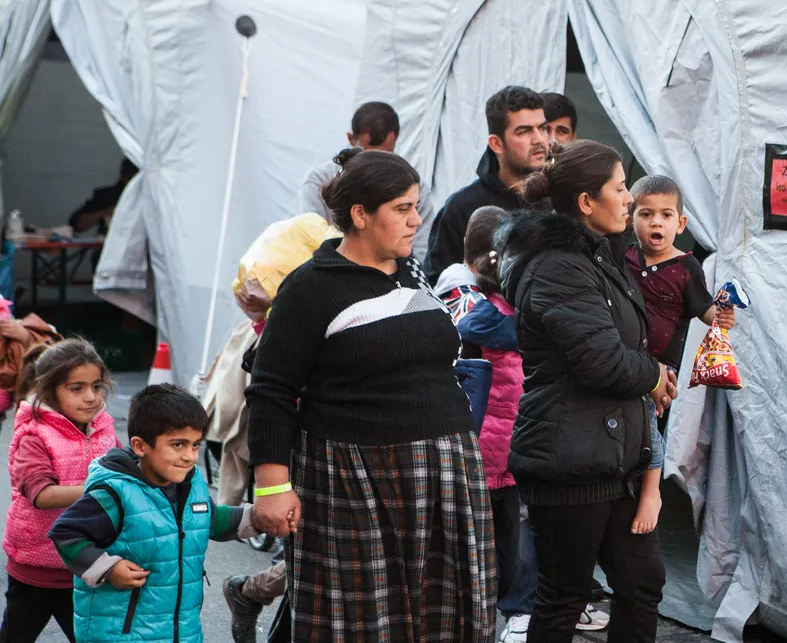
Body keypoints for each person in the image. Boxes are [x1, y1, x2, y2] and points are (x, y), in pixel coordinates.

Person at [245, 147, 495, 642]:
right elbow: (271, 389)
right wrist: (272, 486)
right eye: (402, 208)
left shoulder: (411, 273)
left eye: (416, 206)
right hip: (354, 479)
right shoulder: (312, 287)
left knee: (441, 615)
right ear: (360, 215)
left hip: (444, 474)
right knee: (361, 622)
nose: (416, 219)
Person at [499, 139, 675, 643]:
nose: (628, 199)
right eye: (620, 189)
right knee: (563, 599)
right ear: (585, 203)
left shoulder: (597, 257)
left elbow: (622, 349)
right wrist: (655, 374)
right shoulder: (558, 266)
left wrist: (650, 370)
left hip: (615, 456)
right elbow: (603, 362)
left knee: (642, 585)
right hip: (569, 460)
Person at [453, 207, 610, 642]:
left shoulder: (490, 317)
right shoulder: (515, 314)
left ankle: (501, 609)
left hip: (500, 447)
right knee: (510, 536)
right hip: (507, 446)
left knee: (499, 534)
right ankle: (511, 610)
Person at [49, 384, 256, 643]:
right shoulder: (115, 493)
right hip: (120, 635)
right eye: (178, 444)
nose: (189, 456)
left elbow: (209, 519)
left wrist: (257, 518)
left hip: (183, 631)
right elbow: (66, 533)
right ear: (140, 446)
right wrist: (107, 568)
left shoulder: (191, 485)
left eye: (195, 445)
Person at [624, 176, 736, 534]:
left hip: (661, 369)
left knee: (647, 428)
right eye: (646, 214)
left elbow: (704, 310)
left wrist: (722, 316)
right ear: (631, 218)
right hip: (624, 358)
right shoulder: (624, 257)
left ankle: (651, 492)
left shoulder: (686, 268)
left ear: (681, 223)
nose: (656, 222)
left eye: (666, 215)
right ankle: (623, 485)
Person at [0, 340, 119, 642]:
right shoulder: (34, 434)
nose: (91, 397)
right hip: (36, 568)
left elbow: (125, 471)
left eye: (96, 386)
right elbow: (41, 495)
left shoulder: (103, 428)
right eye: (77, 388)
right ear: (50, 390)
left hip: (88, 564)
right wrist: (102, 488)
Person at [425, 86, 549, 282]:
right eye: (524, 131)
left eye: (542, 128)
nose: (539, 139)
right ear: (496, 144)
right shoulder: (461, 208)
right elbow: (440, 285)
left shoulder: (561, 198)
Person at [292, 102, 433, 231]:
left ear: (396, 137)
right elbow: (310, 237)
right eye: (366, 153)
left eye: (386, 154)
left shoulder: (414, 188)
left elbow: (420, 249)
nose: (375, 163)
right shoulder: (319, 180)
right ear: (351, 139)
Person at [69, 158, 137, 234]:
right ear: (123, 176)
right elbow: (77, 225)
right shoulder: (107, 196)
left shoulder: (149, 196)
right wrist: (108, 212)